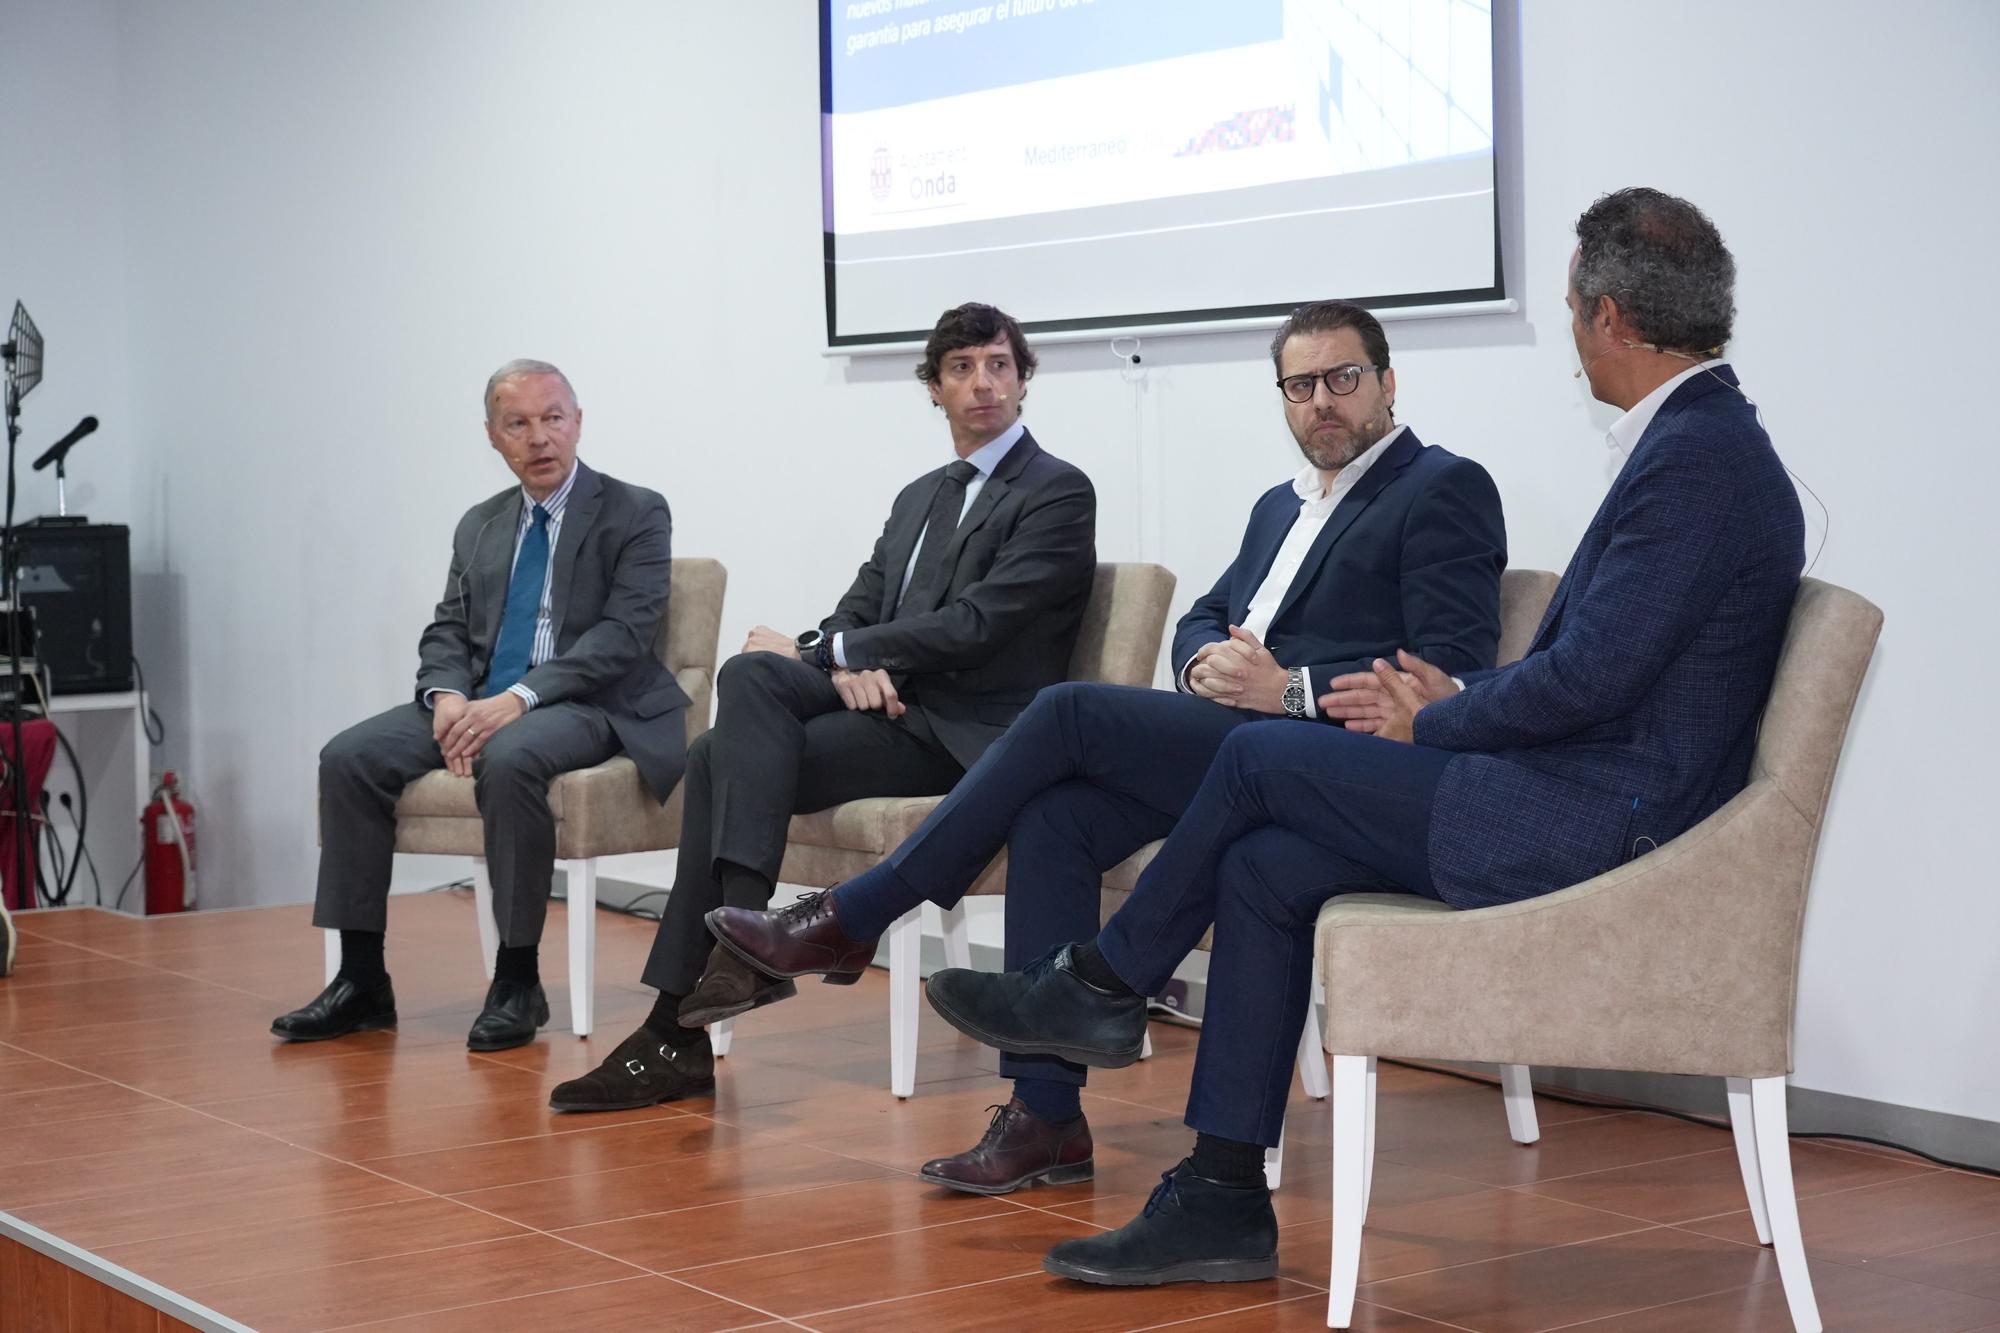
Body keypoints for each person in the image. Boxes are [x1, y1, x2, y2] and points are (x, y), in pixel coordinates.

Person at [921, 187, 1806, 1286]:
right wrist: (1453, 703)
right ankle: (1220, 1195)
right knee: (1264, 862)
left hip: (1597, 823)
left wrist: (1434, 714)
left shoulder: (1697, 459)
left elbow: (1589, 680)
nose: (1573, 330)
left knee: (1254, 753)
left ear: (1609, 317)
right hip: (1573, 790)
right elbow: (1595, 671)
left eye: (1573, 306)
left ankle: (1100, 984)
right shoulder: (1697, 442)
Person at [702, 299, 1507, 1194]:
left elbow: (1449, 670)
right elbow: (1207, 612)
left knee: (1068, 713)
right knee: (1057, 815)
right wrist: (1199, 659)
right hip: (1238, 740)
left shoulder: (1442, 486)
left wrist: (1285, 689)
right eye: (1300, 384)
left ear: (1388, 383)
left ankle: (856, 915)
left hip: (1327, 758)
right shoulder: (1279, 505)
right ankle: (1046, 1117)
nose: (1322, 400)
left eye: (1343, 378)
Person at [549, 302, 1097, 1111]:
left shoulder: (1057, 490)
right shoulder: (919, 497)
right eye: (961, 368)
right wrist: (843, 659)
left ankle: (680, 1023)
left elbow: (977, 624)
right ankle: (739, 950)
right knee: (746, 682)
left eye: (999, 365)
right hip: (892, 710)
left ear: (1022, 381)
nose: (983, 383)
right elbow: (858, 606)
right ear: (934, 388)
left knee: (720, 748)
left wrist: (839, 653)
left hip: (965, 732)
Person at [272, 359, 685, 1052]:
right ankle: (362, 980)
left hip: (591, 700)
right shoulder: (482, 523)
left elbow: (623, 636)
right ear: (493, 436)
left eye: (553, 418)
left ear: (578, 422)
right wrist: (446, 695)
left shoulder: (635, 511)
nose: (539, 437)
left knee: (511, 756)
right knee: (349, 757)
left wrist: (519, 698)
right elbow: (449, 628)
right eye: (517, 424)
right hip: (483, 696)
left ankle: (517, 979)